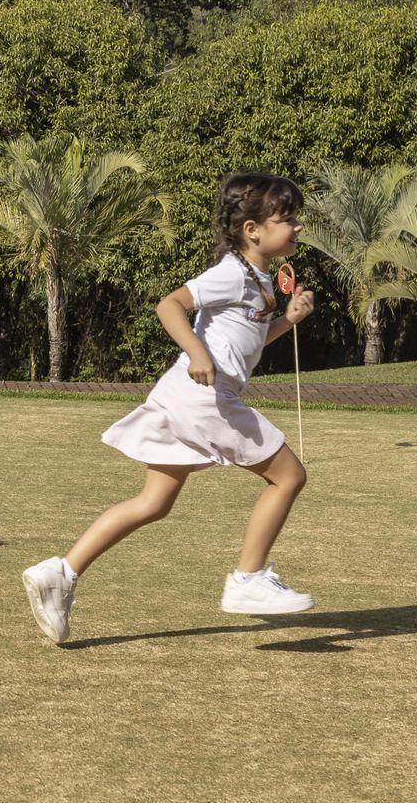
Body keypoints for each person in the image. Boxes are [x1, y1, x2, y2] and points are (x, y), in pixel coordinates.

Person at [21, 172, 317, 644]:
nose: (297, 227)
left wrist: (288, 320)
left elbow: (246, 340)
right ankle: (248, 579)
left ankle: (62, 572)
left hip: (183, 395)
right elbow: (169, 306)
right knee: (289, 476)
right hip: (204, 397)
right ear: (253, 230)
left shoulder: (256, 277)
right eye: (288, 219)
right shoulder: (228, 272)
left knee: (153, 502)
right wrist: (198, 354)